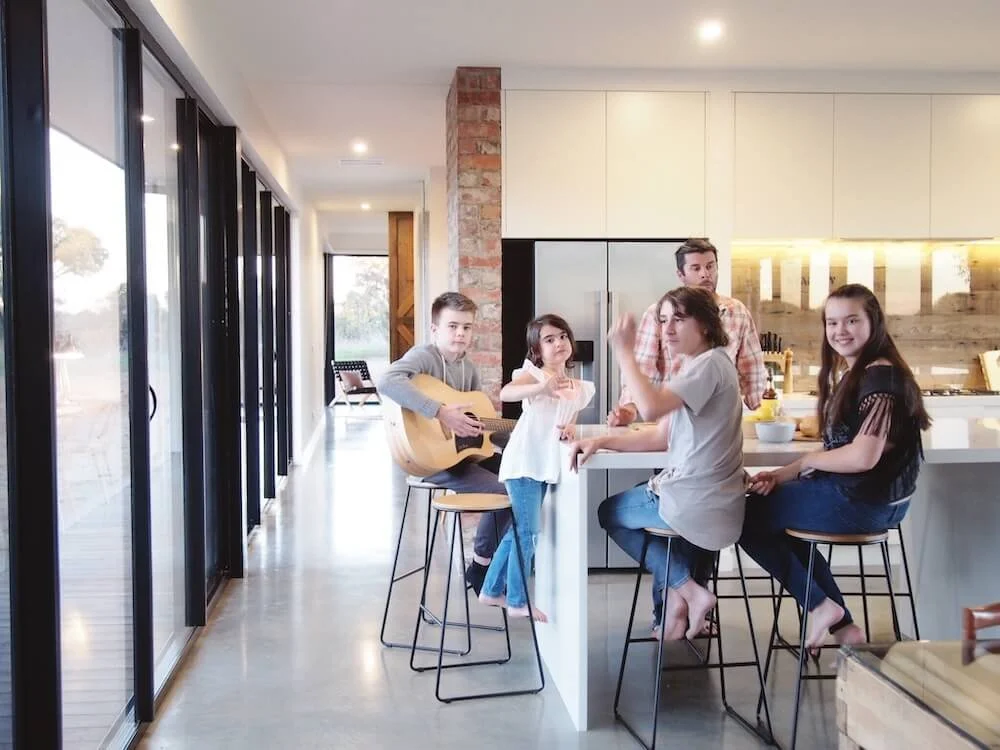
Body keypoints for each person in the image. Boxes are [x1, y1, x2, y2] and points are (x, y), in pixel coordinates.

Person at [740, 283, 930, 653]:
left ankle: (823, 607)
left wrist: (806, 462)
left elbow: (862, 457)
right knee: (773, 516)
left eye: (851, 321)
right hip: (877, 501)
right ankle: (841, 625)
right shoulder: (866, 371)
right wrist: (781, 476)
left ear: (874, 322)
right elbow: (849, 450)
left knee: (742, 517)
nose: (840, 331)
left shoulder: (880, 376)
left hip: (862, 503)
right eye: (832, 322)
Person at [570, 287, 747, 640]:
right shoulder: (701, 365)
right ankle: (679, 598)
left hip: (695, 499)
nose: (667, 329)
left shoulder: (709, 365)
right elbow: (660, 436)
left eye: (679, 319)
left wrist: (623, 351)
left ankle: (689, 591)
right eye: (663, 319)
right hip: (713, 500)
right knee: (635, 509)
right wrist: (602, 440)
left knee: (609, 513)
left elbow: (649, 410)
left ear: (708, 325)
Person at [378, 291, 511, 593]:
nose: (460, 333)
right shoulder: (424, 357)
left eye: (467, 327)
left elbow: (481, 427)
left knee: (521, 475)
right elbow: (387, 381)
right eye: (452, 326)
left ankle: (489, 563)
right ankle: (480, 566)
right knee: (506, 491)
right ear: (435, 328)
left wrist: (521, 431)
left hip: (461, 457)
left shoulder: (469, 369)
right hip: (431, 459)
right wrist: (439, 412)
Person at [478, 315, 594, 622]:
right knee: (527, 532)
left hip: (545, 465)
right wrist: (542, 386)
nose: (558, 343)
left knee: (520, 530)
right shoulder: (532, 374)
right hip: (525, 461)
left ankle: (490, 590)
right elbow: (506, 393)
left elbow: (568, 417)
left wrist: (570, 428)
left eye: (562, 337)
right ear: (537, 350)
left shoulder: (578, 386)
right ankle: (517, 600)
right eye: (549, 339)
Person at [608, 238, 767, 426]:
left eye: (710, 267)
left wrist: (763, 410)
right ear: (681, 274)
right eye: (696, 268)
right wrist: (630, 407)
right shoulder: (658, 313)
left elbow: (752, 369)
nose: (705, 274)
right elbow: (644, 367)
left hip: (717, 420)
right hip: (670, 418)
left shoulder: (736, 313)